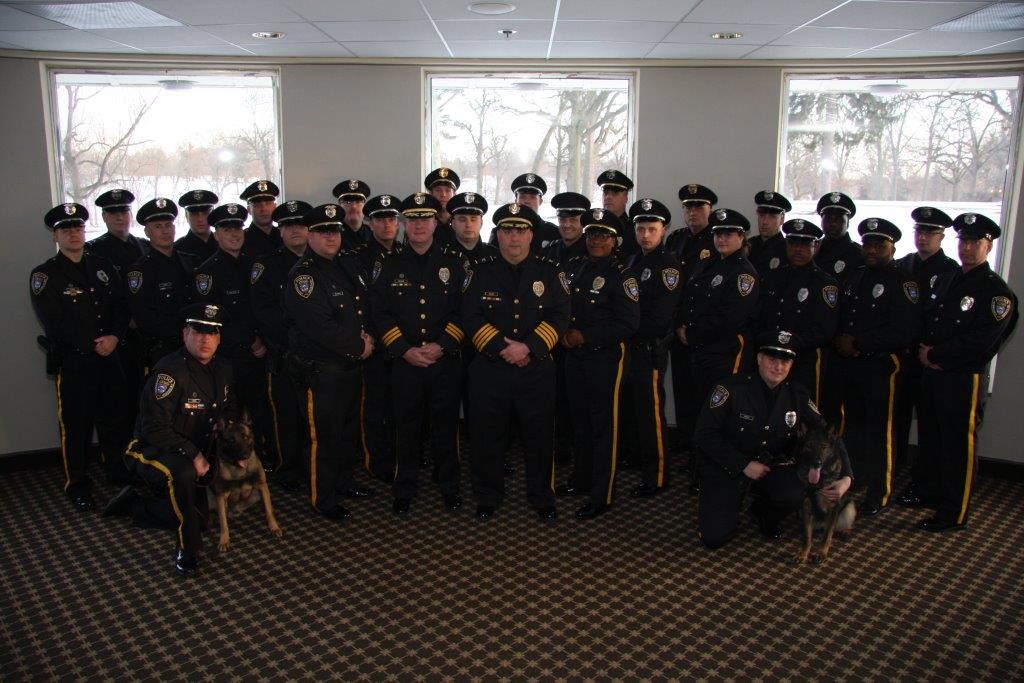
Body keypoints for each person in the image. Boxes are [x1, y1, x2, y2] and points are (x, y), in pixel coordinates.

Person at [112, 303, 239, 576]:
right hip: (150, 447)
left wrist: (223, 425)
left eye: (212, 333)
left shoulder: (224, 369)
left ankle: (134, 504)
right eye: (198, 331)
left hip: (192, 450)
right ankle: (187, 551)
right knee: (180, 476)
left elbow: (229, 409)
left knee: (197, 518)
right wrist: (194, 454)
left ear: (219, 338)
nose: (205, 339)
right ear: (185, 334)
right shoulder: (170, 373)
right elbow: (153, 429)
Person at [693, 330, 852, 549]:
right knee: (714, 537)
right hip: (727, 465)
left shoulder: (797, 395)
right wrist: (744, 464)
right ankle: (727, 502)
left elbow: (829, 435)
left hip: (769, 467)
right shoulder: (730, 389)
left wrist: (847, 477)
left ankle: (761, 512)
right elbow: (704, 435)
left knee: (794, 492)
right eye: (772, 359)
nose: (778, 367)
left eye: (785, 361)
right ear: (759, 358)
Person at [462, 202, 569, 521]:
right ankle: (487, 495)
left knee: (539, 437)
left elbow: (560, 314)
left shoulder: (550, 271)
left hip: (535, 369)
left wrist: (529, 348)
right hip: (490, 369)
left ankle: (542, 495)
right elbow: (470, 315)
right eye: (507, 230)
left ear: (531, 235)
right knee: (486, 436)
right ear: (498, 234)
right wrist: (500, 347)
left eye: (520, 230)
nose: (513, 237)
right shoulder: (480, 271)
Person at [914, 213, 1017, 531]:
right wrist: (927, 352)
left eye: (976, 242)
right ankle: (931, 494)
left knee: (958, 446)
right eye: (965, 241)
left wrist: (937, 354)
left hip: (963, 379)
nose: (968, 248)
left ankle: (954, 513)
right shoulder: (948, 278)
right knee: (932, 438)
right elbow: (931, 320)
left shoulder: (996, 293)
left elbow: (982, 342)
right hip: (933, 373)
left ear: (988, 246)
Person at [30, 202, 132, 509]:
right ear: (56, 236)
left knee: (116, 418)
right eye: (66, 230)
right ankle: (77, 484)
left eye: (78, 228)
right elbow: (53, 321)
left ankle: (116, 471)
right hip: (76, 360)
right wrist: (92, 343)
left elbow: (120, 307)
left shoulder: (102, 266)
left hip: (109, 355)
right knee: (77, 426)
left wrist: (114, 337)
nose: (74, 234)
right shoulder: (45, 275)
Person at [371, 192, 467, 515]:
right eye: (412, 219)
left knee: (446, 427)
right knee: (405, 427)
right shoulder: (388, 263)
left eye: (425, 218)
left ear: (434, 222)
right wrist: (403, 349)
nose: (419, 225)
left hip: (444, 361)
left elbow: (463, 311)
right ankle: (404, 487)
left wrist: (442, 345)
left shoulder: (454, 262)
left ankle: (450, 486)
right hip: (406, 363)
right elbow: (380, 312)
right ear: (403, 225)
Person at [284, 203, 376, 521]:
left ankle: (344, 483)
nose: (331, 237)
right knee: (323, 437)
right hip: (321, 371)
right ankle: (322, 498)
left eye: (335, 230)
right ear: (310, 235)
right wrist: (358, 346)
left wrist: (364, 343)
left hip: (349, 368)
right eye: (323, 231)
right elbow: (318, 327)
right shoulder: (304, 277)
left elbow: (361, 309)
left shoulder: (344, 265)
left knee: (348, 432)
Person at [826, 217, 919, 517]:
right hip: (852, 365)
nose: (872, 249)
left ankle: (880, 493)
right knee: (853, 427)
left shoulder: (902, 283)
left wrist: (860, 343)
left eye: (880, 244)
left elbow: (905, 330)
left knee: (881, 432)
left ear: (892, 247)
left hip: (882, 365)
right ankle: (856, 478)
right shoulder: (856, 276)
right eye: (868, 243)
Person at [557, 208, 640, 519]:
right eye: (592, 233)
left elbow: (629, 323)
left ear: (615, 240)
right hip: (574, 357)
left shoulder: (623, 275)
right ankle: (581, 479)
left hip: (606, 358)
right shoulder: (576, 266)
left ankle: (601, 494)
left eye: (603, 235)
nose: (596, 240)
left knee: (604, 427)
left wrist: (585, 336)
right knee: (580, 422)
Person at [194, 204, 276, 470]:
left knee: (263, 410)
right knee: (229, 414)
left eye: (238, 228)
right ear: (215, 234)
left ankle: (266, 460)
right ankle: (228, 465)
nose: (234, 234)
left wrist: (263, 340)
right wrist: (250, 340)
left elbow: (264, 306)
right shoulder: (207, 273)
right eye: (226, 229)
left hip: (260, 353)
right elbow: (215, 319)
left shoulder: (256, 264)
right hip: (230, 356)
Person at [674, 208, 760, 457]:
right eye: (718, 234)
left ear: (742, 237)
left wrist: (692, 332)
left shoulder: (744, 274)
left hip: (724, 352)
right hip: (701, 350)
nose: (722, 239)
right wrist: (682, 325)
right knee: (702, 407)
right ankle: (701, 462)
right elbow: (688, 299)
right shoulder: (707, 264)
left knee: (723, 410)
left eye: (729, 234)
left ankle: (723, 467)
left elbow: (731, 319)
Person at [249, 199, 312, 492]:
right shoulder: (267, 265)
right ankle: (289, 472)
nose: (295, 230)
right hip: (285, 354)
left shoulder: (324, 260)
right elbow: (264, 313)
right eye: (288, 226)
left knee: (319, 418)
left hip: (319, 357)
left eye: (300, 224)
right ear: (280, 231)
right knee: (286, 417)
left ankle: (317, 468)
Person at [623, 198, 683, 497]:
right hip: (632, 349)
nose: (645, 234)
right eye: (641, 228)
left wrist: (622, 327)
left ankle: (658, 477)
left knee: (652, 416)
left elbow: (659, 318)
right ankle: (639, 462)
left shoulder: (668, 265)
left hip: (649, 348)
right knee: (635, 412)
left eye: (652, 228)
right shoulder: (634, 261)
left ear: (665, 230)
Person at [893, 207, 957, 487]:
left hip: (931, 359)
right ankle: (893, 472)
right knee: (898, 418)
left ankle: (925, 482)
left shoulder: (951, 272)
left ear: (941, 237)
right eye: (920, 231)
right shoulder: (903, 265)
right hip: (902, 356)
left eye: (930, 233)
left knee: (931, 425)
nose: (923, 237)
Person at [750, 218, 839, 404]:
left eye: (805, 244)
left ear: (816, 246)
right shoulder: (772, 277)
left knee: (803, 414)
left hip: (804, 360)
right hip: (771, 359)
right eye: (793, 243)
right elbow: (759, 317)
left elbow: (825, 329)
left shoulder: (825, 284)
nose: (798, 249)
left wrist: (789, 344)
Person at [352, 194, 404, 483]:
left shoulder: (406, 253)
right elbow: (360, 304)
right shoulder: (357, 258)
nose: (387, 224)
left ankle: (402, 456)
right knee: (374, 408)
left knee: (402, 406)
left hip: (402, 344)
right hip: (374, 345)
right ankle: (377, 462)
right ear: (369, 223)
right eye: (380, 219)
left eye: (392, 218)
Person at [665, 183, 718, 457]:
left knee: (705, 392)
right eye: (688, 207)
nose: (692, 212)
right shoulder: (676, 239)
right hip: (678, 324)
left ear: (710, 209)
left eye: (699, 206)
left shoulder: (718, 240)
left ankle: (703, 445)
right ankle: (686, 437)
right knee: (682, 387)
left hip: (704, 328)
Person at [125, 198, 200, 368]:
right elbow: (145, 318)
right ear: (146, 231)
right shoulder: (139, 271)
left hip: (196, 346)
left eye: (168, 225)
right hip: (163, 350)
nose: (165, 231)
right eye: (158, 227)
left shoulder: (191, 262)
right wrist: (182, 334)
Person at [488, 173, 560, 253]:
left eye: (533, 197)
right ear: (516, 201)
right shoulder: (501, 231)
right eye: (522, 196)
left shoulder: (553, 232)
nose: (527, 201)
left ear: (540, 201)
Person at [814, 191, 863, 285]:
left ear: (848, 223)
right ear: (821, 221)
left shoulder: (859, 254)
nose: (833, 224)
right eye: (828, 219)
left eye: (839, 219)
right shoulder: (812, 249)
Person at [746, 190, 791, 275]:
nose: (765, 222)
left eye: (772, 217)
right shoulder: (749, 245)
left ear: (782, 219)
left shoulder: (788, 249)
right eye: (762, 215)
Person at [596, 169, 638, 255]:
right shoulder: (595, 227)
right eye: (605, 193)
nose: (608, 197)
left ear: (626, 198)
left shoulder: (634, 231)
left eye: (615, 193)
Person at [542, 192, 590, 267]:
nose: (567, 225)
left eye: (573, 220)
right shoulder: (549, 251)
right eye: (562, 219)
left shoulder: (592, 251)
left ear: (583, 222)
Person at [174, 189, 219, 261]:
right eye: (194, 214)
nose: (200, 219)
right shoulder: (176, 250)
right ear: (186, 216)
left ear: (212, 215)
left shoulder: (224, 244)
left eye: (205, 213)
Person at [240, 179, 281, 259]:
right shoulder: (241, 240)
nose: (263, 209)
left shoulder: (284, 236)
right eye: (257, 205)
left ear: (275, 207)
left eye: (268, 203)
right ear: (249, 210)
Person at [424, 167, 460, 245]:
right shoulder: (423, 223)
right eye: (438, 190)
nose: (443, 195)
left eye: (447, 190)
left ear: (454, 194)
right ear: (431, 194)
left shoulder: (461, 222)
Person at [333, 179, 372, 251]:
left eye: (358, 201)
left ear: (364, 206)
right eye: (348, 202)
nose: (353, 206)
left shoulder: (375, 235)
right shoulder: (331, 236)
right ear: (340, 206)